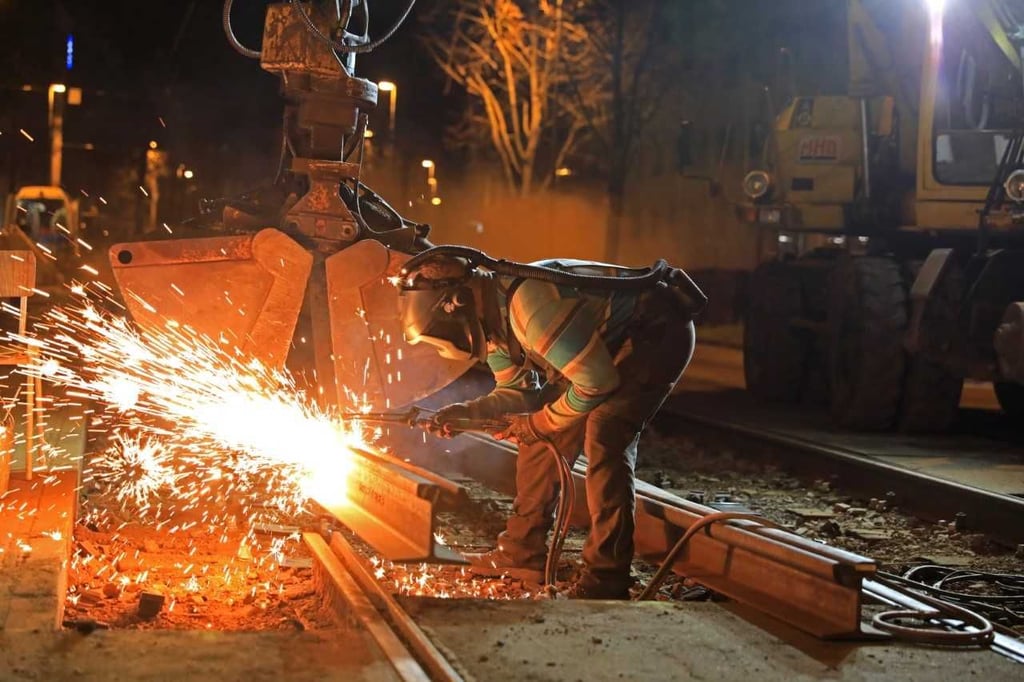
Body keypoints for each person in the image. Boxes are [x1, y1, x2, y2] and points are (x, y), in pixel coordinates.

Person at [399, 247, 703, 599]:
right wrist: (470, 412)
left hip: (654, 336)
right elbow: (518, 392)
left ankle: (607, 577)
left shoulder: (530, 308)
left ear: (459, 303)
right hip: (599, 353)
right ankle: (521, 553)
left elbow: (597, 385)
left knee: (605, 435)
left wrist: (539, 423)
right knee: (543, 433)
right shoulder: (494, 324)